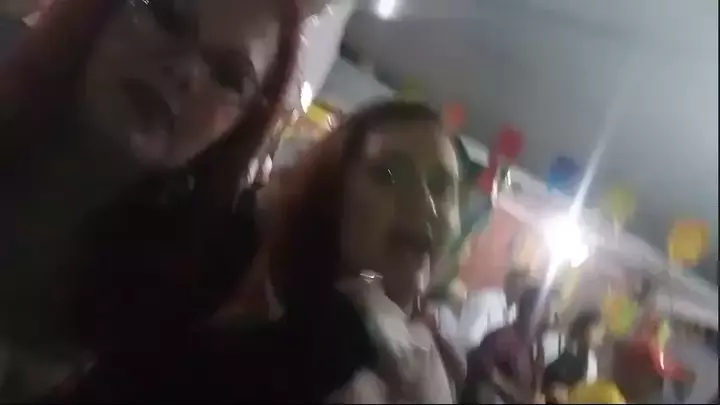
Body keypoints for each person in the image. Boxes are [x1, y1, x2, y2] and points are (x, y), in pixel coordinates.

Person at [2, 0, 378, 402]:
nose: (185, 71)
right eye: (167, 16)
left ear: (238, 128)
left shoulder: (179, 291)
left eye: (228, 75)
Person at [232, 99, 462, 403]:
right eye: (389, 175)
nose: (426, 206)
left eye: (441, 186)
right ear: (334, 194)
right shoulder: (252, 342)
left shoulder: (441, 363)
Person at [461, 286, 551, 404]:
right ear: (529, 312)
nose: (548, 319)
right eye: (545, 313)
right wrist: (520, 396)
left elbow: (536, 386)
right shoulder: (501, 340)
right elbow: (485, 376)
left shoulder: (536, 347)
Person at [455, 269, 530, 355]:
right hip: (469, 352)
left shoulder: (515, 311)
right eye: (517, 287)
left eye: (523, 289)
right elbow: (469, 337)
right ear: (507, 285)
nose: (520, 292)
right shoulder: (486, 299)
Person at [542, 309, 604, 404]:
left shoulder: (590, 359)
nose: (602, 333)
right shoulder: (562, 350)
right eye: (598, 328)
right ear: (586, 331)